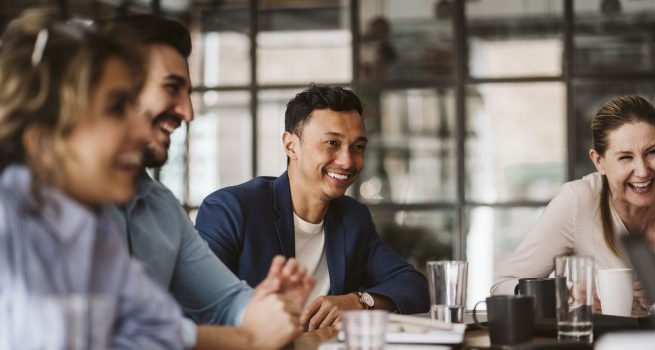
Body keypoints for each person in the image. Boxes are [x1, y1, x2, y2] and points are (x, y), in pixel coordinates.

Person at [103, 14, 314, 349]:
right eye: (171, 88)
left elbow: (224, 302)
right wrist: (247, 338)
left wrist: (264, 308)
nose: (188, 112)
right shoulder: (43, 199)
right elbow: (107, 334)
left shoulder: (161, 206)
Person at [0, 9, 182, 348]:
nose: (142, 130)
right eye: (116, 109)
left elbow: (164, 331)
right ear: (43, 142)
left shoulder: (91, 231)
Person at [196, 85, 430, 330]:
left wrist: (359, 301)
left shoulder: (352, 217)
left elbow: (413, 286)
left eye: (358, 147)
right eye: (332, 143)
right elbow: (203, 308)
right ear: (290, 145)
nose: (348, 161)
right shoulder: (230, 210)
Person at [491, 95, 655, 309]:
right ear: (599, 161)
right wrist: (566, 293)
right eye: (625, 157)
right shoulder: (576, 201)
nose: (643, 170)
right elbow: (502, 287)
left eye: (652, 152)